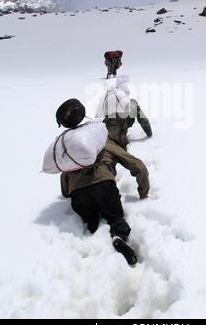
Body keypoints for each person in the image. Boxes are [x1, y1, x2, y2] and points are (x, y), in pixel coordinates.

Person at [56, 99, 150, 265]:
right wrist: (143, 192)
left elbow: (64, 178)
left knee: (92, 222)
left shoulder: (70, 145)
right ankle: (118, 236)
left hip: (79, 196)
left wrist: (67, 192)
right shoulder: (103, 140)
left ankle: (94, 230)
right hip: (104, 186)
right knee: (115, 218)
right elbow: (138, 166)